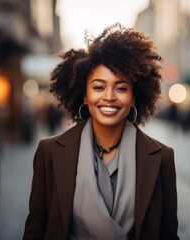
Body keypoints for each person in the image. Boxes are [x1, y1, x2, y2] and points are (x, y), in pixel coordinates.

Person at [23, 23, 179, 240]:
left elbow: (168, 235)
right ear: (84, 95)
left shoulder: (162, 157)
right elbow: (34, 232)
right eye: (98, 87)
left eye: (121, 88)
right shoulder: (49, 152)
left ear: (134, 96)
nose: (109, 96)